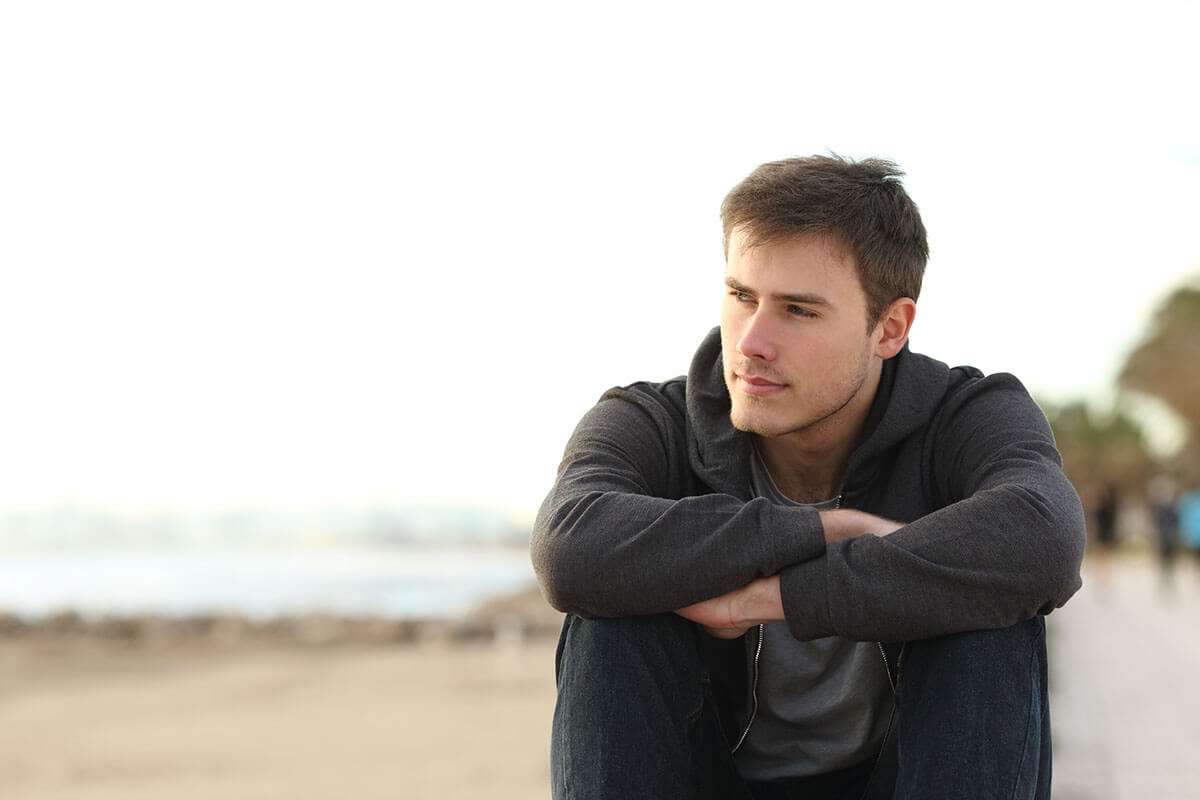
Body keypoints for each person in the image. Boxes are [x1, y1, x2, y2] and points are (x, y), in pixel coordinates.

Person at [531, 155, 1086, 799]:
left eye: (798, 310)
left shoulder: (963, 415)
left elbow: (1045, 535)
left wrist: (768, 600)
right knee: (609, 618)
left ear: (890, 328)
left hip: (908, 777)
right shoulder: (651, 420)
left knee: (993, 621)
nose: (751, 343)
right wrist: (826, 528)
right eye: (742, 296)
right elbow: (568, 547)